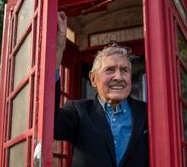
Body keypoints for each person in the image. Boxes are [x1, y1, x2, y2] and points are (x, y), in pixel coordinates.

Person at [54, 12, 148, 167]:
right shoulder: (79, 112)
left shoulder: (147, 113)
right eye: (110, 70)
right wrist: (56, 58)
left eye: (124, 70)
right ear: (93, 79)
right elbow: (52, 124)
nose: (118, 76)